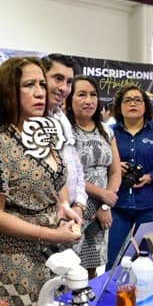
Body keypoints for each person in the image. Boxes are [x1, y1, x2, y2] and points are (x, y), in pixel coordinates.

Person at [0, 56, 82, 306]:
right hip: (9, 259)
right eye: (29, 85)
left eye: (42, 85)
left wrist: (63, 207)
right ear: (9, 92)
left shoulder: (45, 132)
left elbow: (57, 182)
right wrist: (51, 235)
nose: (39, 93)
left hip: (45, 256)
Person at [107, 84, 153, 268]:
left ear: (145, 105)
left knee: (146, 261)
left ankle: (142, 295)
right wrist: (113, 167)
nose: (133, 104)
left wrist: (151, 176)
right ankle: (111, 294)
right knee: (112, 259)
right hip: (117, 205)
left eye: (138, 100)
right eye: (127, 100)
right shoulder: (109, 132)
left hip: (148, 205)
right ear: (119, 106)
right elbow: (98, 165)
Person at [66, 76, 121, 279]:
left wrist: (105, 205)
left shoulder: (106, 130)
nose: (89, 100)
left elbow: (115, 172)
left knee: (91, 268)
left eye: (93, 95)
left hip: (102, 209)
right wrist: (102, 195)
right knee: (70, 268)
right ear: (70, 100)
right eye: (81, 95)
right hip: (75, 208)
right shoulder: (65, 131)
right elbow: (67, 173)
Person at [41, 53, 88, 218]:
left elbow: (76, 167)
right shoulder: (29, 121)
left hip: (70, 213)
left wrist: (79, 204)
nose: (64, 88)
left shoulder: (61, 118)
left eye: (69, 82)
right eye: (58, 78)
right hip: (45, 216)